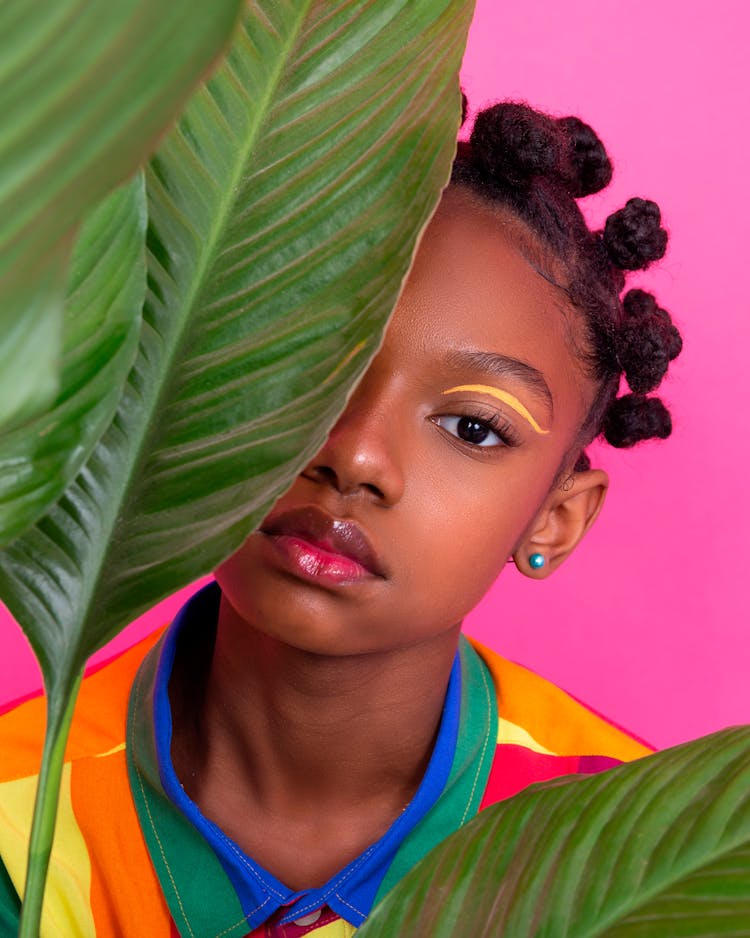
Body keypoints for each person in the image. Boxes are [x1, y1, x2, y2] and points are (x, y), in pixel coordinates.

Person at [0, 100, 682, 936]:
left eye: (473, 428)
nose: (354, 455)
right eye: (309, 365)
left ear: (555, 520)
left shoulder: (632, 845)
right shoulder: (16, 813)